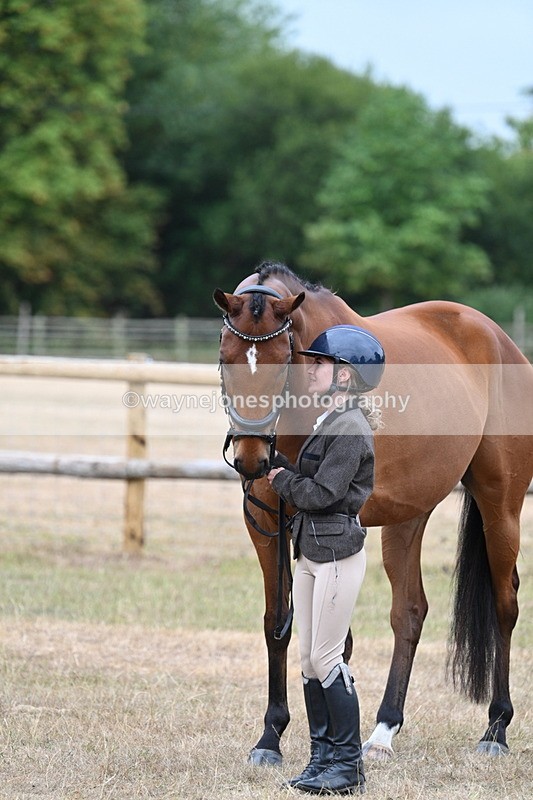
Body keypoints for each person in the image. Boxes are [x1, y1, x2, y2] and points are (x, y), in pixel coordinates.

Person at [267, 324, 385, 795]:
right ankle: (322, 756)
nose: (311, 369)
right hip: (311, 551)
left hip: (336, 551)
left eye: (321, 364)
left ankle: (348, 764)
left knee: (327, 656)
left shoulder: (351, 426)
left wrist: (282, 480)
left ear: (344, 377)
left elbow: (326, 492)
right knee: (308, 658)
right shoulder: (327, 419)